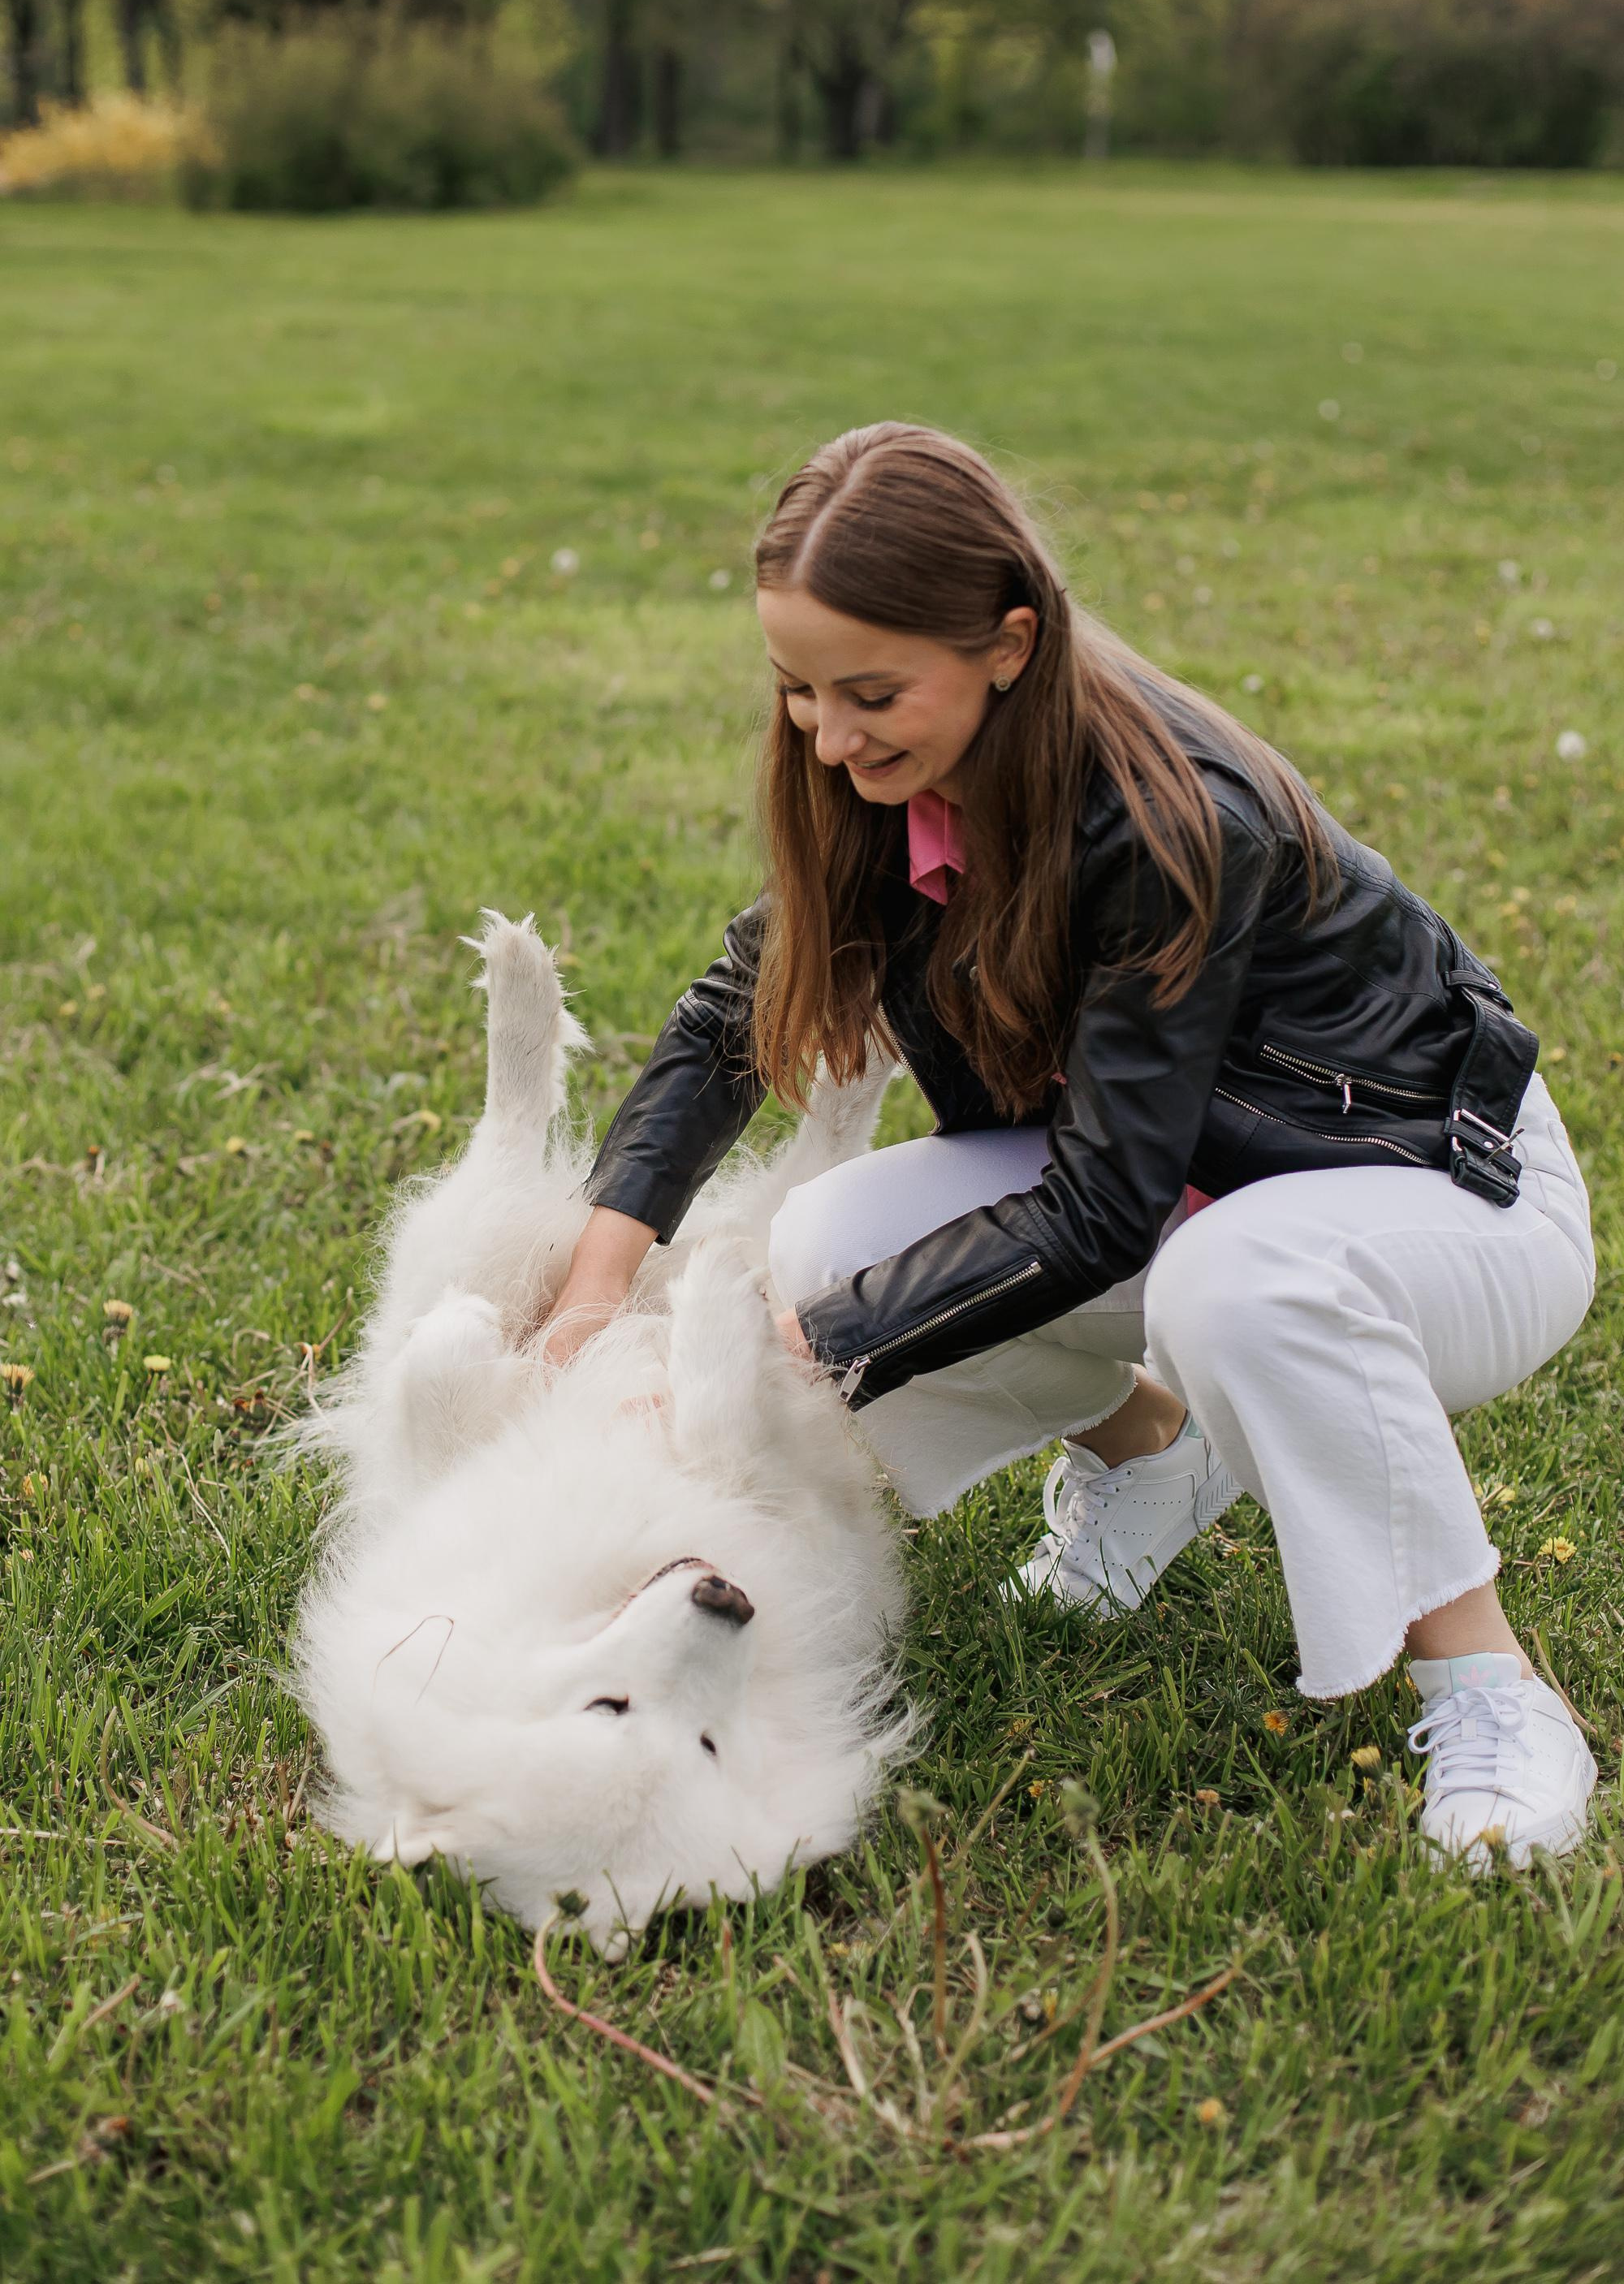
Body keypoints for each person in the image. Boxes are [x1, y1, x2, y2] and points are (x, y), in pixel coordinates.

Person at [540, 422, 1598, 1872]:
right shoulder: (883, 786)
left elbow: (1102, 1209)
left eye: (868, 692)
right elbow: (739, 1010)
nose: (829, 736)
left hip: (1442, 1195)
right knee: (834, 1239)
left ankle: (1488, 1685)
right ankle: (1150, 1458)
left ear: (1010, 644)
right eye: (795, 689)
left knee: (1223, 1282)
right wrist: (597, 1293)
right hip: (1193, 1194)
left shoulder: (1170, 821)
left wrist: (789, 1351)